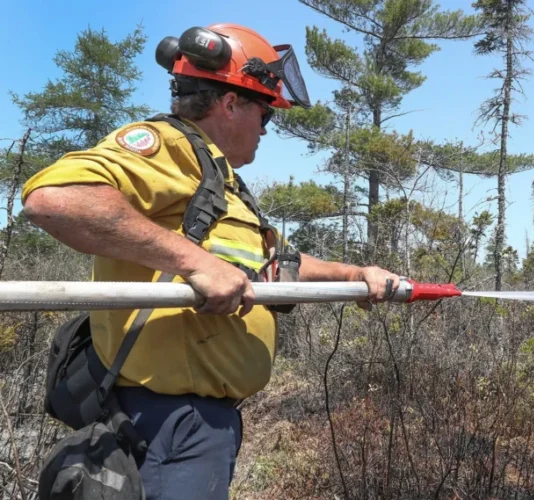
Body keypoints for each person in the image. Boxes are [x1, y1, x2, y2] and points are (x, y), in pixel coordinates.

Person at [21, 23, 400, 500]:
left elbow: (275, 261)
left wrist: (356, 275)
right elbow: (55, 199)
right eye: (265, 115)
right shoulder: (168, 146)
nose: (266, 129)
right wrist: (195, 261)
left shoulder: (219, 181)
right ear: (230, 103)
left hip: (200, 425)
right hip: (163, 422)